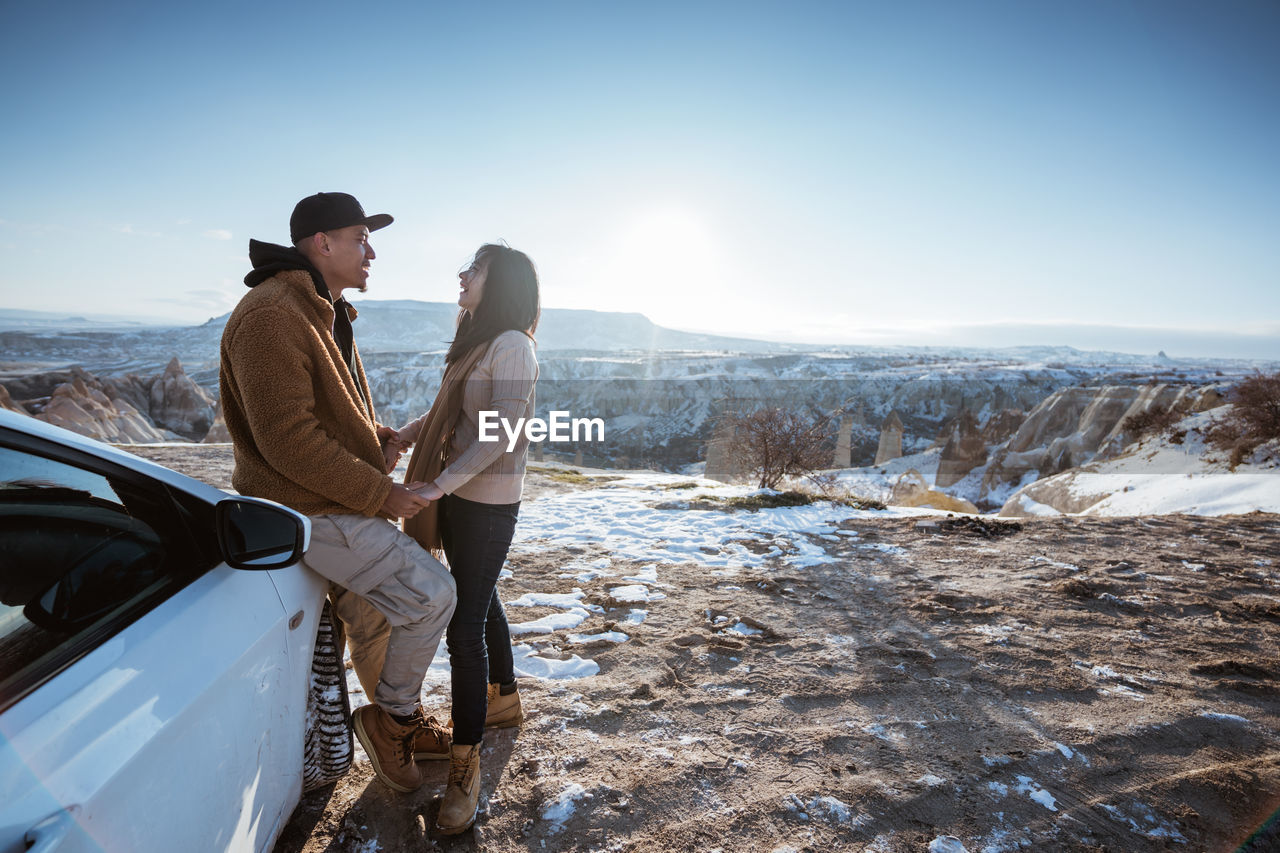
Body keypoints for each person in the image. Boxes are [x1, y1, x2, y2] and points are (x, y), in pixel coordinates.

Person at [218, 192, 457, 795]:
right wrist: (382, 493)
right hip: (307, 509)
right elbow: (288, 440)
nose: (371, 251)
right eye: (359, 237)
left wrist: (384, 438)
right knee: (432, 595)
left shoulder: (324, 307)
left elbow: (323, 412)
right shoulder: (274, 314)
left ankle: (400, 724)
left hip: (329, 498)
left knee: (376, 621)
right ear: (321, 243)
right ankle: (388, 722)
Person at [397, 243, 540, 835]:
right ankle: (503, 697)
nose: (462, 275)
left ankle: (466, 765)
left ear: (498, 281)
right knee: (481, 598)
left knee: (465, 623)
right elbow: (448, 417)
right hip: (457, 497)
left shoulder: (513, 345)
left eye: (473, 269)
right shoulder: (476, 338)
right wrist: (404, 437)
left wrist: (435, 487)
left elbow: (499, 435)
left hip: (485, 506)